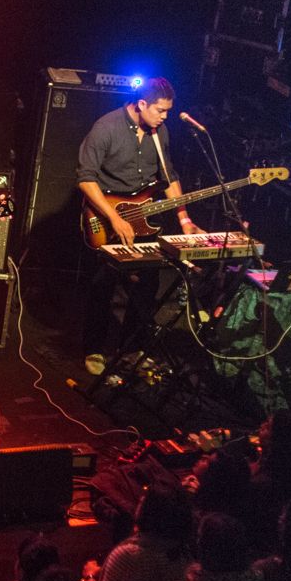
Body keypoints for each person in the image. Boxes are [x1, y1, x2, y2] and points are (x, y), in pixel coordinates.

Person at [76, 77, 201, 376]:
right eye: (160, 110)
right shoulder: (106, 128)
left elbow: (169, 177)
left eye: (168, 111)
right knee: (103, 284)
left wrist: (184, 219)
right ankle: (93, 348)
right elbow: (85, 178)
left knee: (147, 285)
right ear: (141, 104)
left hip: (141, 219)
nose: (164, 116)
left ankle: (132, 350)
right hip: (107, 216)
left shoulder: (161, 133)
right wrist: (115, 218)